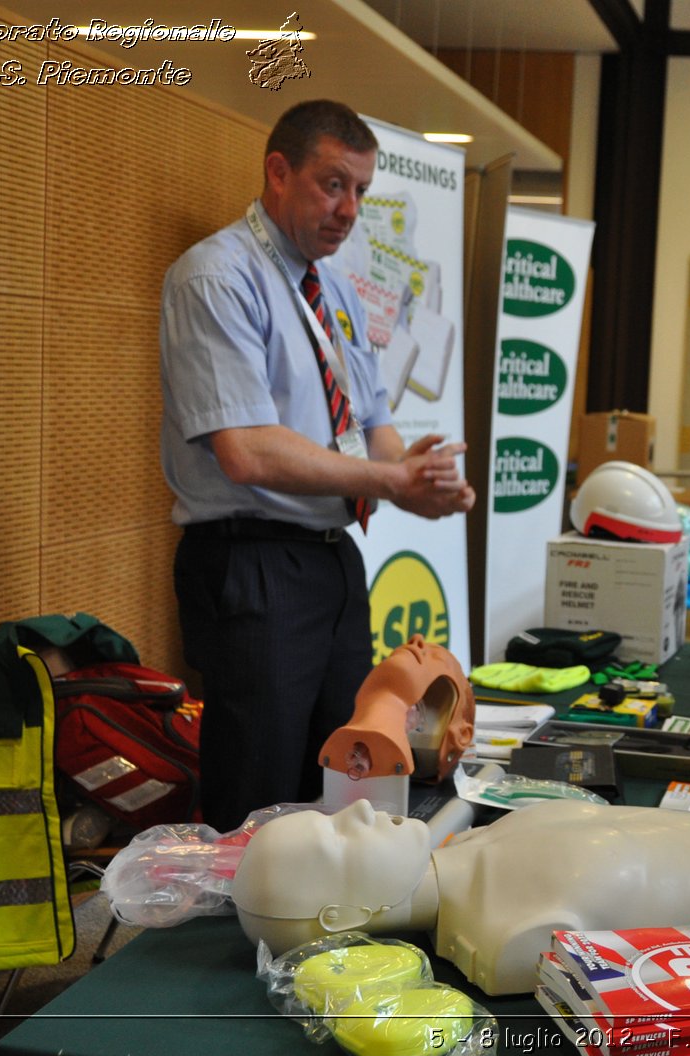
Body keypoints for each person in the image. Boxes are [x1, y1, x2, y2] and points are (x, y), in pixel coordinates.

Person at [160, 100, 475, 830]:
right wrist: (388, 480)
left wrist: (419, 482)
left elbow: (373, 426)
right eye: (334, 185)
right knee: (258, 788)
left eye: (361, 191)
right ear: (278, 172)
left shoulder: (332, 287)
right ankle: (237, 939)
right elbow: (245, 449)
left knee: (349, 770)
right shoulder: (215, 276)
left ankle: (326, 933)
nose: (349, 210)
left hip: (333, 562)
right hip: (252, 562)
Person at [230, 798, 690, 995]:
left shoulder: (477, 844)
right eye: (338, 840)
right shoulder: (509, 933)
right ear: (344, 916)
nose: (357, 811)